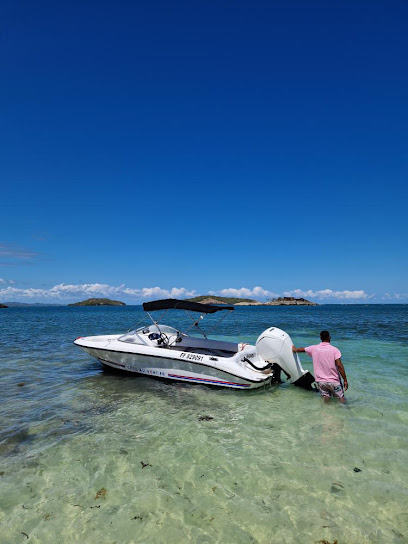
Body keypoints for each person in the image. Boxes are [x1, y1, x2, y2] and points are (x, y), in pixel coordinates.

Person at [292, 331, 348, 403]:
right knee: (341, 398)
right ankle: (346, 412)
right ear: (329, 338)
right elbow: (340, 366)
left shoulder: (314, 348)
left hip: (321, 382)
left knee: (326, 398)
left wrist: (294, 349)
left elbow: (302, 349)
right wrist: (345, 380)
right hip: (334, 381)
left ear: (320, 338)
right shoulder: (335, 350)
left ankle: (324, 412)